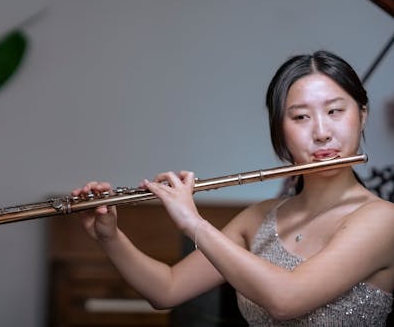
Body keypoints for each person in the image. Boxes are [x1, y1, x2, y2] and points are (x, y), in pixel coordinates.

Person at [71, 50, 394, 326]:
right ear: (280, 130)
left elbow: (287, 299)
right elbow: (166, 289)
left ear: (362, 115)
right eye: (300, 117)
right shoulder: (259, 218)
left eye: (335, 111)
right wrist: (110, 238)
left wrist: (193, 222)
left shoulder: (382, 220)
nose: (322, 132)